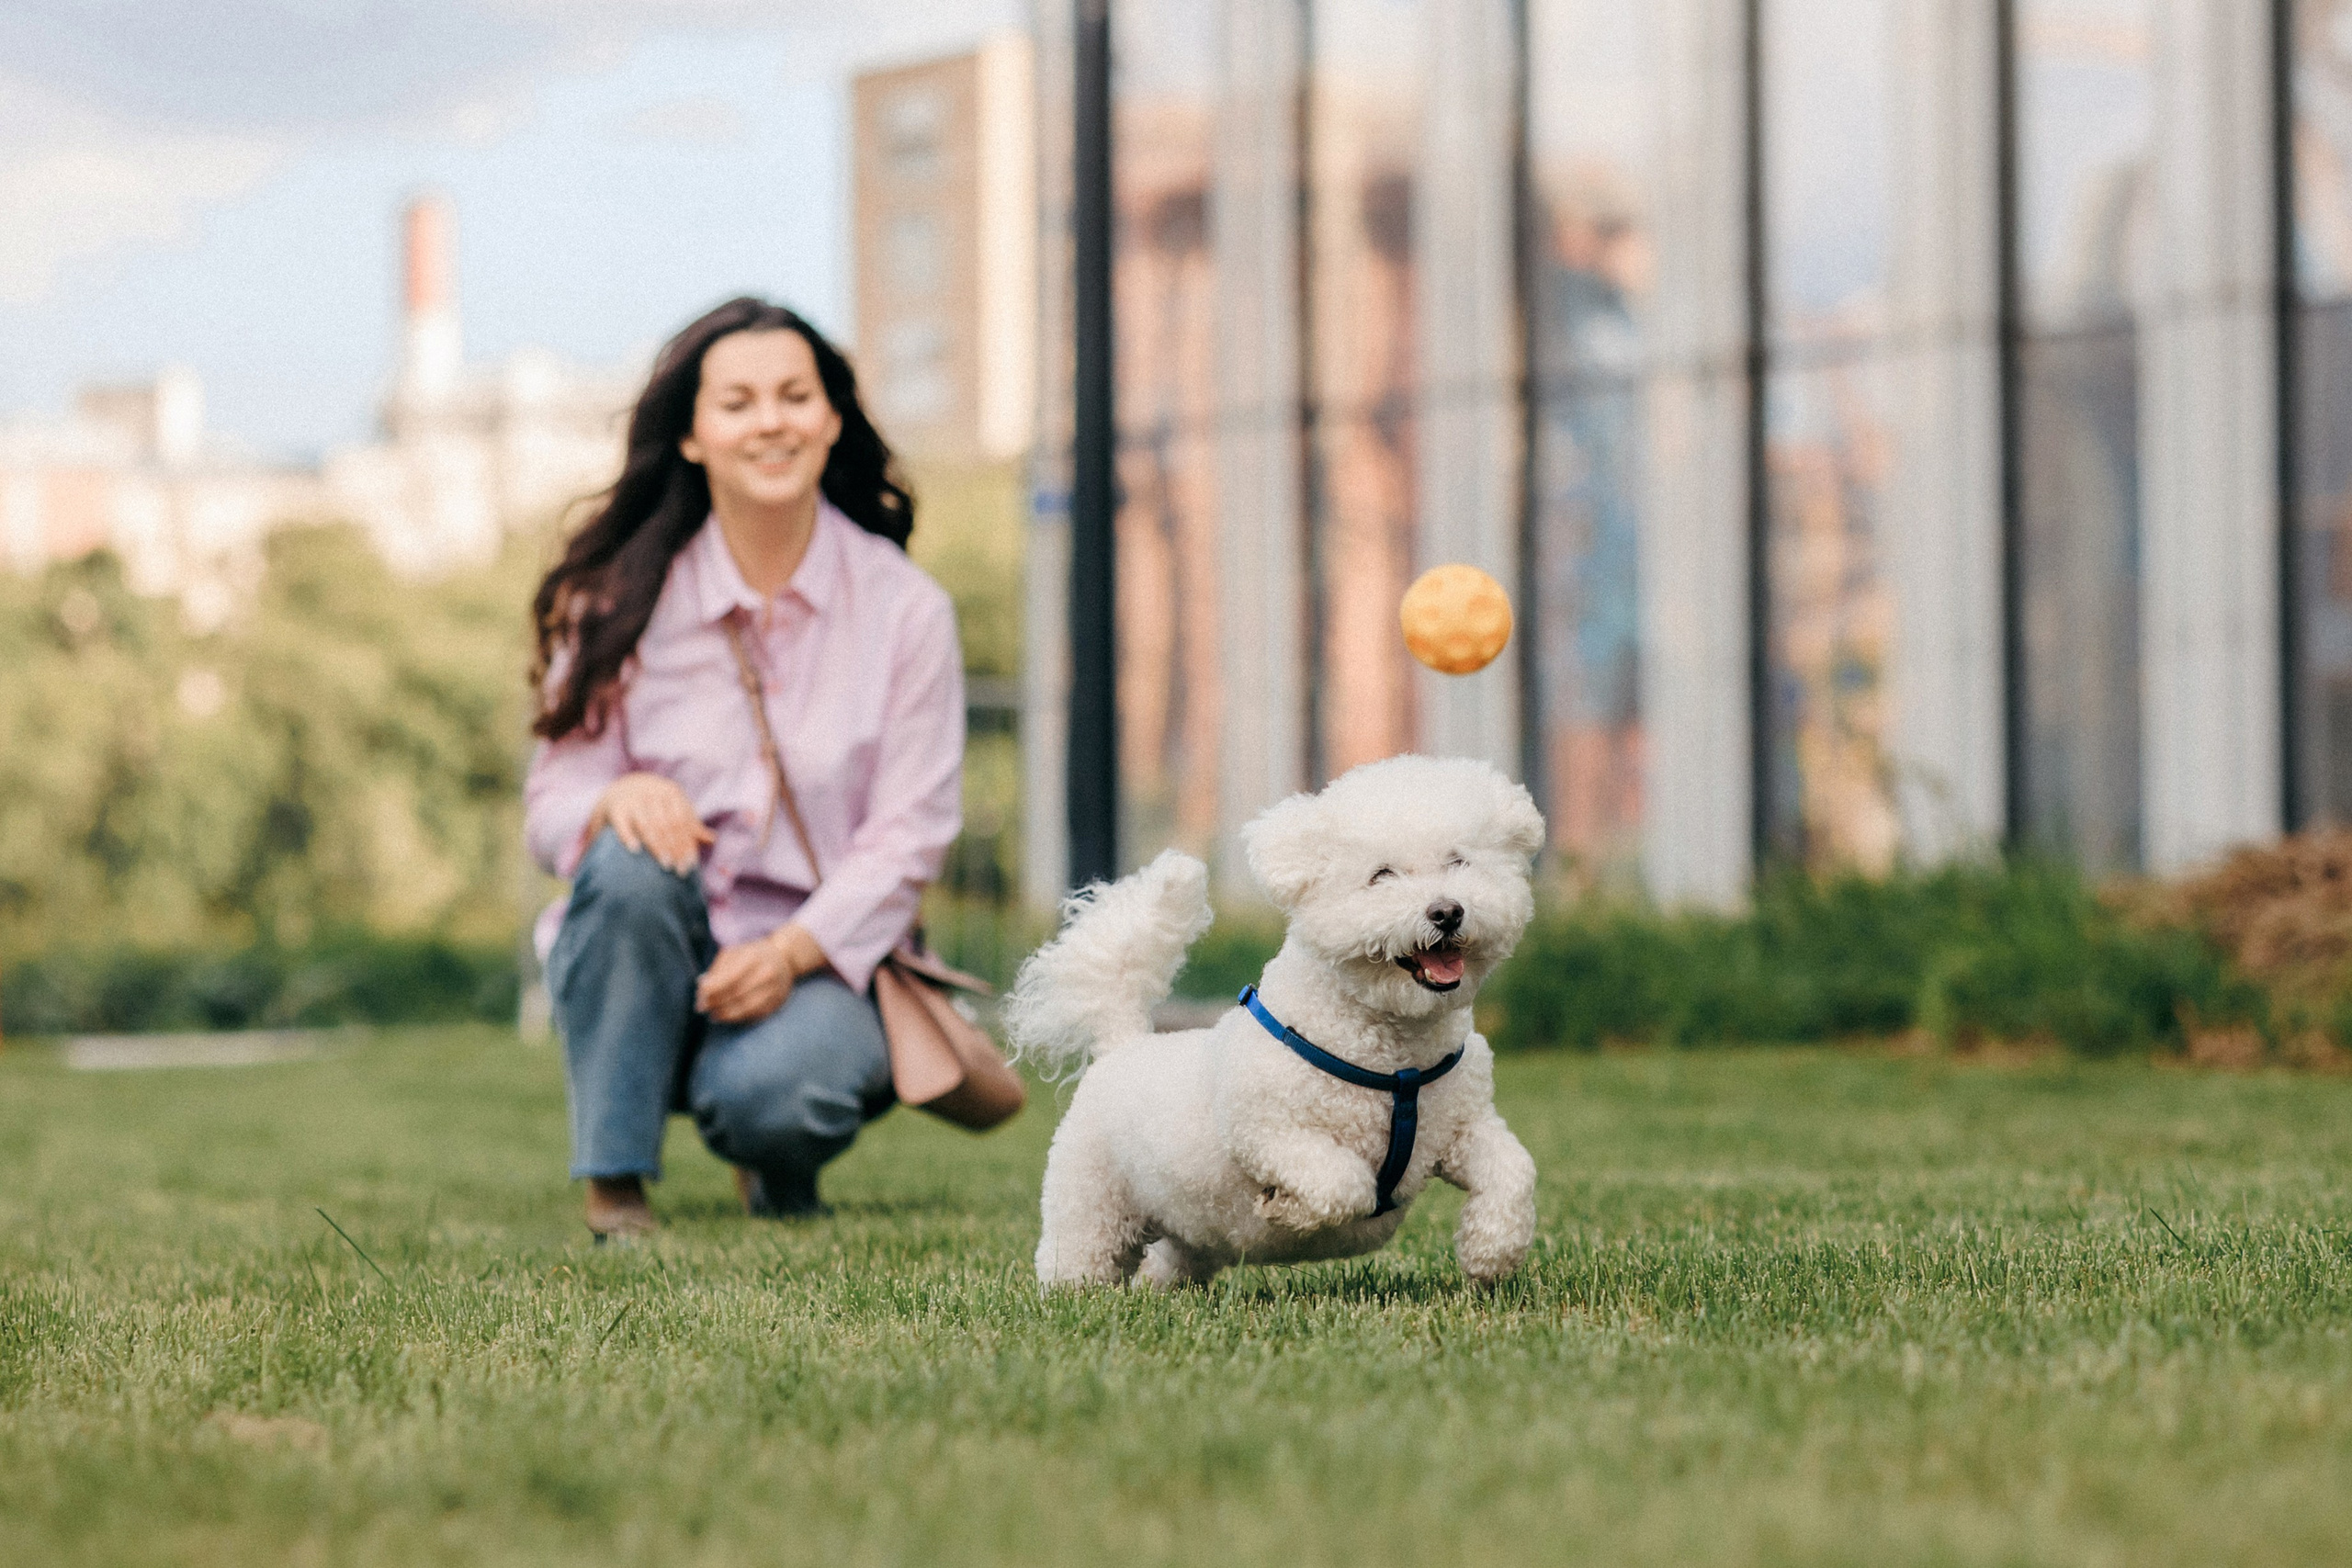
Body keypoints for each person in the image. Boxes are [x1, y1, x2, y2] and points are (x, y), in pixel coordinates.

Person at [525, 297, 964, 1239]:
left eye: (794, 395)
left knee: (774, 1097)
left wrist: (788, 954)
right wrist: (613, 794)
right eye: (737, 402)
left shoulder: (906, 610)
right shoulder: (618, 603)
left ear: (831, 418)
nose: (769, 420)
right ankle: (615, 1191)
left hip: (818, 958)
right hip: (650, 953)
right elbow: (549, 805)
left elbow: (911, 832)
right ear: (691, 435)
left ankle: (771, 1155)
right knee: (630, 855)